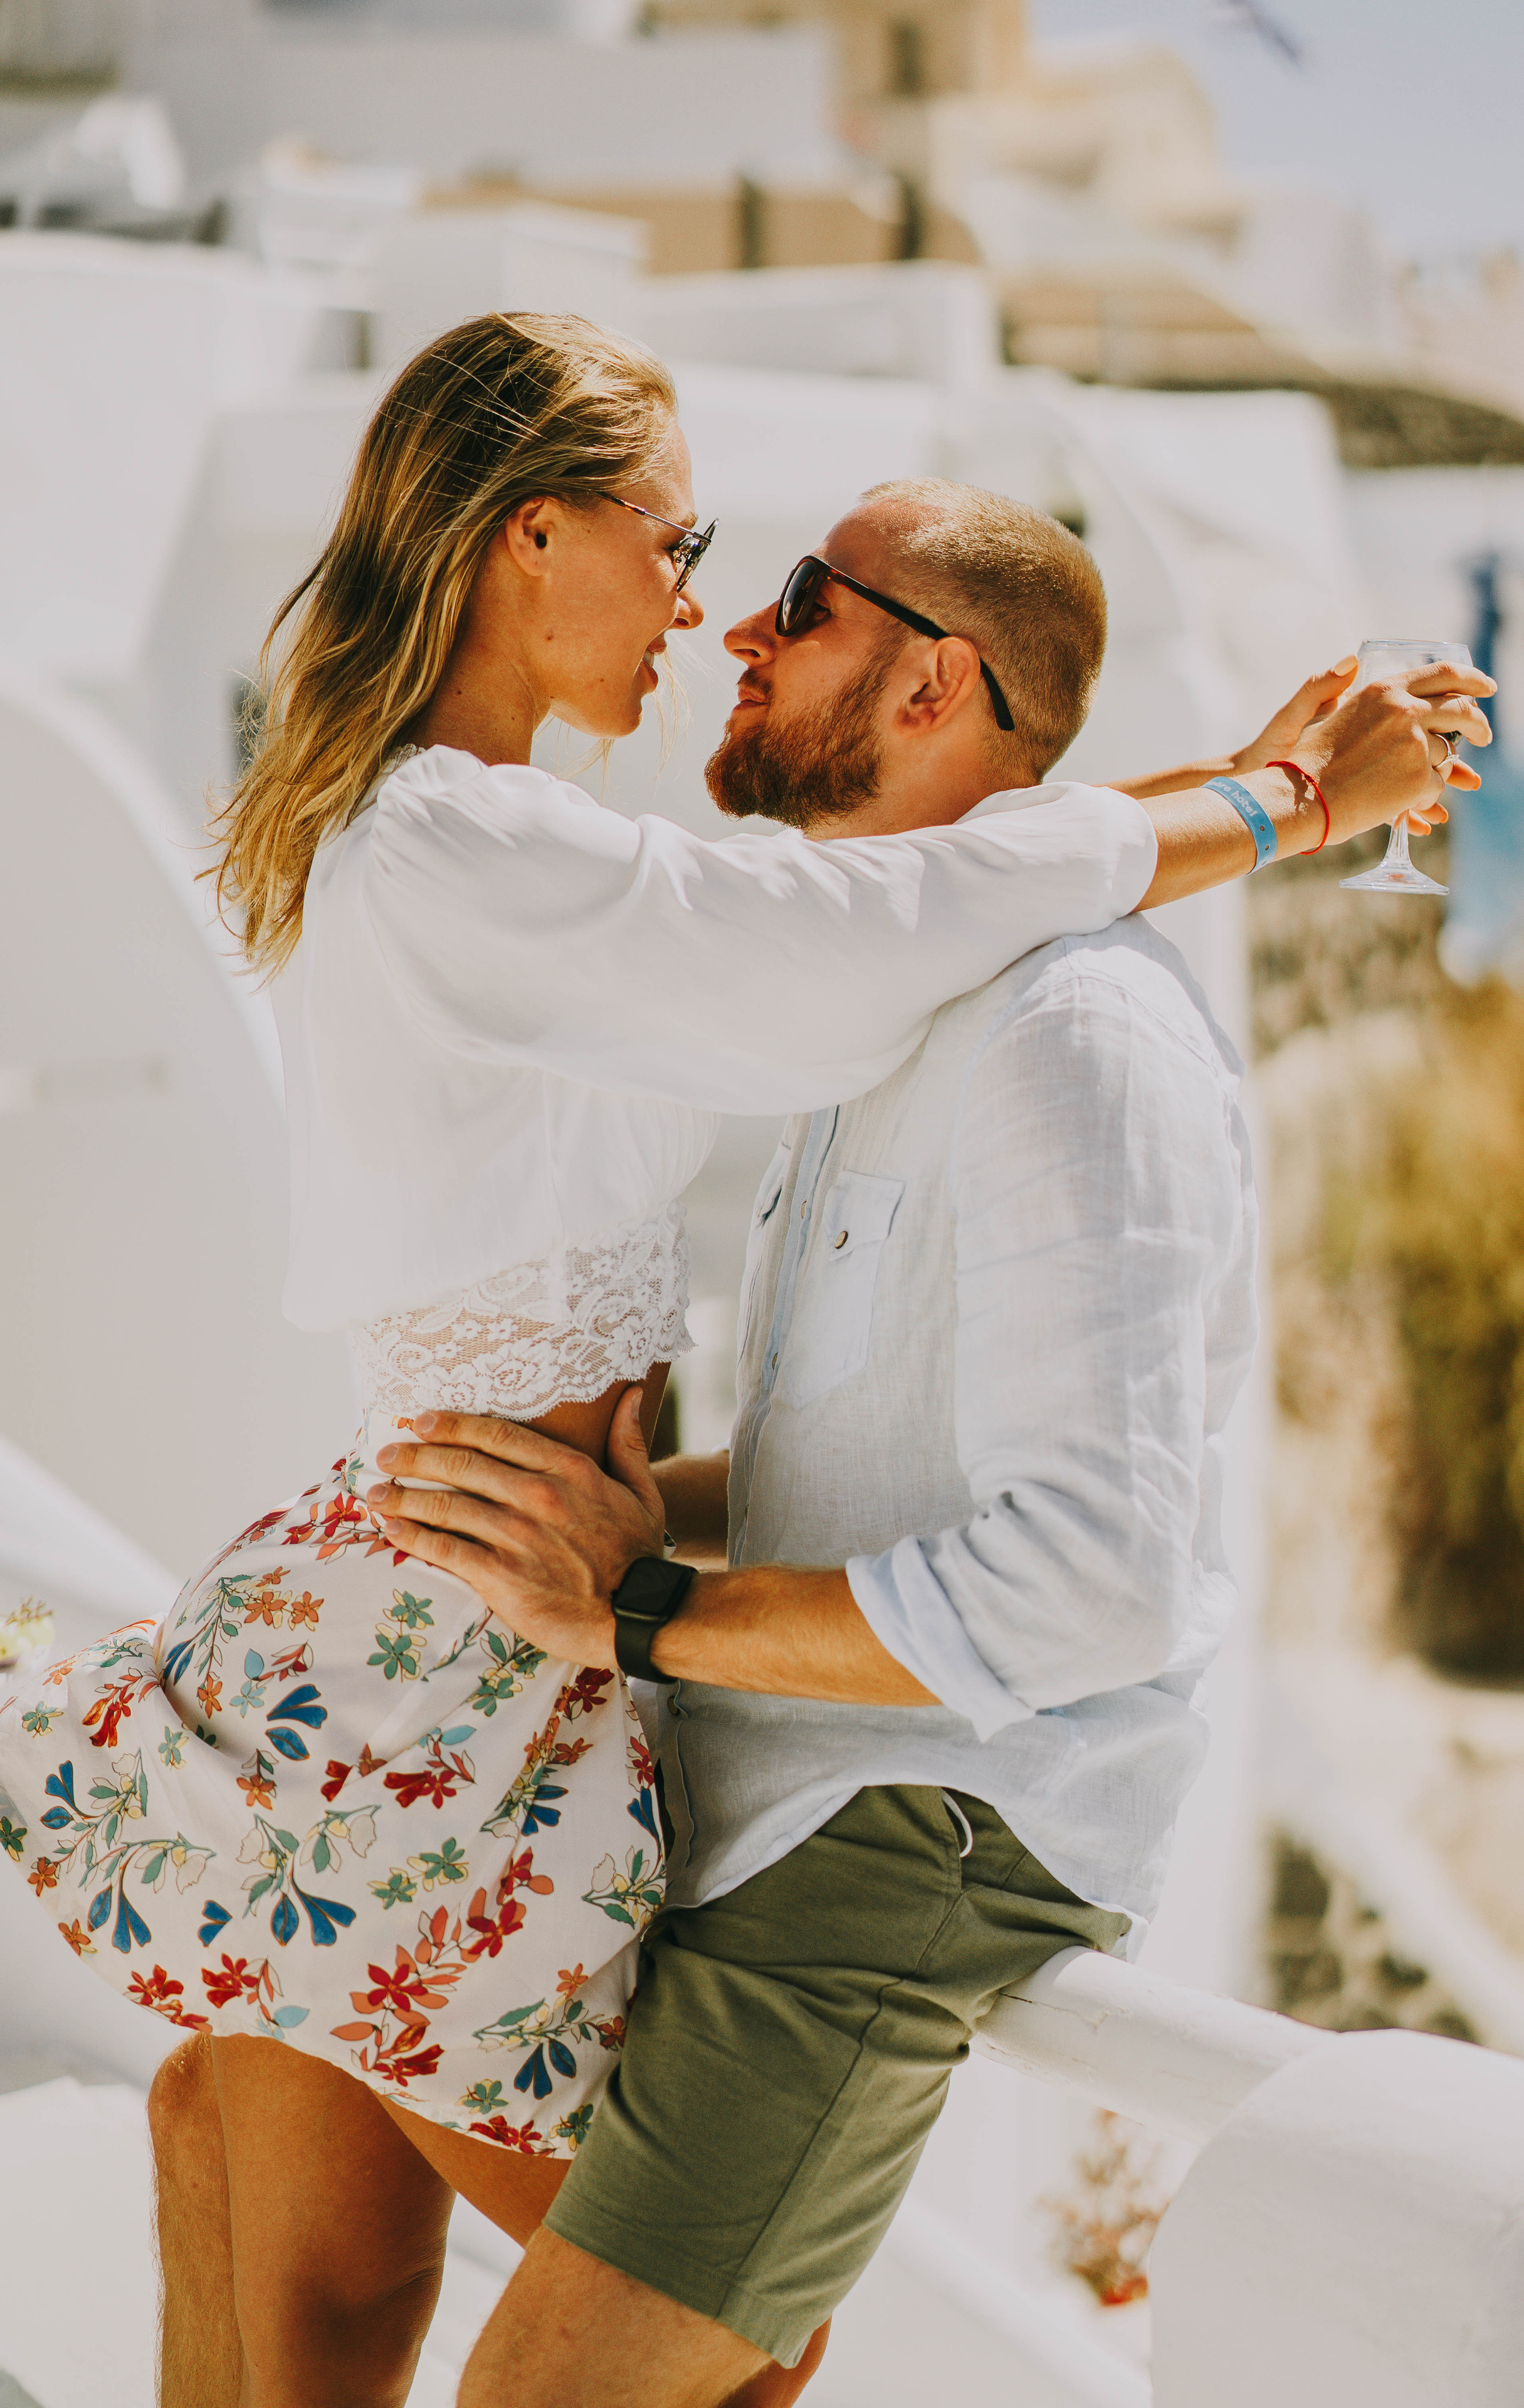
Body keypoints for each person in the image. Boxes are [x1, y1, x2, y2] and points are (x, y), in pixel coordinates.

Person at [0, 304, 1485, 2408]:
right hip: (470, 1630)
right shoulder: (464, 844)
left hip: (490, 1612)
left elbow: (909, 898)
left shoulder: (537, 854)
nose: (707, 614)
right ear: (528, 542)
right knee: (408, 2269)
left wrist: (1234, 792)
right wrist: (1281, 802)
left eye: (757, 580)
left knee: (289, 2243)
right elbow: (861, 925)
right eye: (686, 550)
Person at [364, 490, 1488, 2408]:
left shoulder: (1072, 1043)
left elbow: (1094, 1579)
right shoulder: (891, 1011)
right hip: (765, 1786)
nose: (740, 631)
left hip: (905, 1838)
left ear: (935, 681)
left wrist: (626, 1607)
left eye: (798, 602)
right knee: (274, 2068)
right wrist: (643, 1512)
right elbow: (877, 1444)